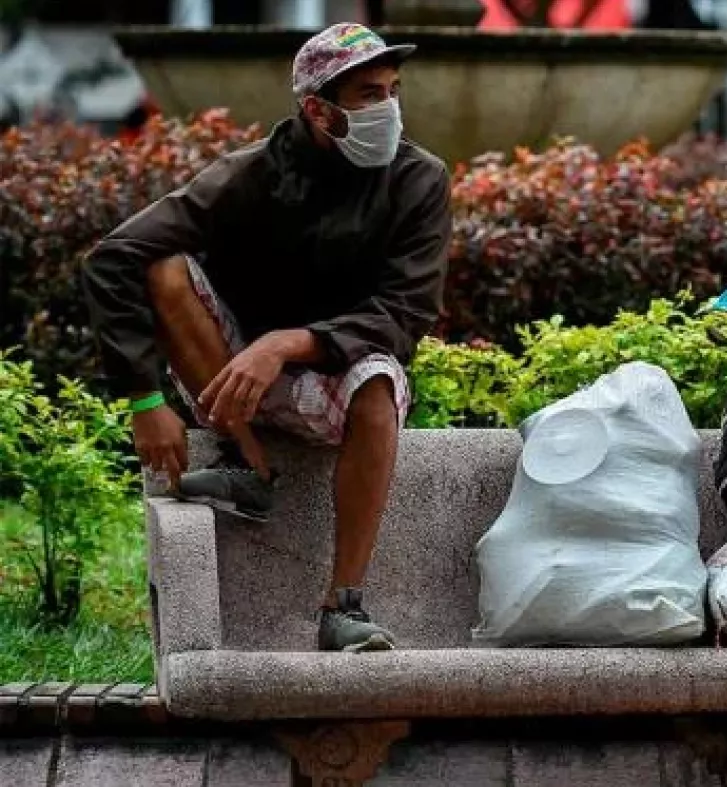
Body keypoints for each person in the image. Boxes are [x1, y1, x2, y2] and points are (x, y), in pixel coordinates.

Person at [82, 23, 451, 653]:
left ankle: (344, 608)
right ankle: (247, 462)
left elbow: (407, 311)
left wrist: (288, 342)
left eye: (393, 90)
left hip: (341, 365)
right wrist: (145, 402)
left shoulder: (419, 179)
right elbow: (112, 258)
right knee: (160, 265)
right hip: (229, 372)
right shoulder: (249, 174)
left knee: (381, 385)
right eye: (368, 95)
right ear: (317, 110)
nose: (388, 108)